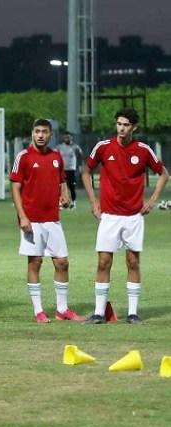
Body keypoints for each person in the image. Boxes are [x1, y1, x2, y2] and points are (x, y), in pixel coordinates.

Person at [81, 107, 168, 324]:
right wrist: (94, 202)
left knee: (133, 263)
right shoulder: (103, 147)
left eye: (126, 125)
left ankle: (133, 313)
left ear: (134, 127)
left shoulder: (143, 150)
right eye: (119, 124)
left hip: (133, 217)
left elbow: (164, 174)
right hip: (109, 216)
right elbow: (85, 172)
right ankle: (99, 313)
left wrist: (152, 200)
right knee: (103, 262)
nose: (121, 128)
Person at [10, 119, 85, 323]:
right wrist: (22, 216)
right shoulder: (23, 157)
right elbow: (15, 187)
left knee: (62, 262)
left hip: (53, 219)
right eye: (37, 131)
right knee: (35, 262)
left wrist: (65, 194)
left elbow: (61, 180)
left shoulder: (56, 156)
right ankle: (38, 311)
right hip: (32, 220)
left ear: (51, 134)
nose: (40, 135)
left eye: (44, 132)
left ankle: (62, 310)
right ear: (32, 133)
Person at [55, 131, 84, 209]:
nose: (67, 138)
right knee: (60, 187)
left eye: (68, 137)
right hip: (62, 170)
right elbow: (54, 155)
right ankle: (60, 202)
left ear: (71, 137)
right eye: (65, 137)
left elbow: (81, 154)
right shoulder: (59, 147)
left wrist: (78, 163)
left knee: (72, 186)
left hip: (71, 169)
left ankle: (73, 202)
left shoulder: (75, 147)